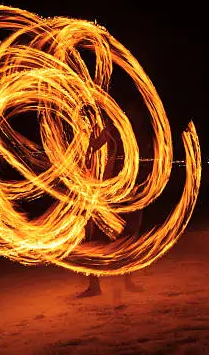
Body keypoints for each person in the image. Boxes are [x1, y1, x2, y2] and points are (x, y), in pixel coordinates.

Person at [77, 106, 145, 298]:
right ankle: (102, 283)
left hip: (115, 195)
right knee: (102, 238)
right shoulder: (115, 131)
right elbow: (93, 153)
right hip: (112, 194)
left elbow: (94, 151)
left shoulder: (114, 133)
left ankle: (102, 284)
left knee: (113, 238)